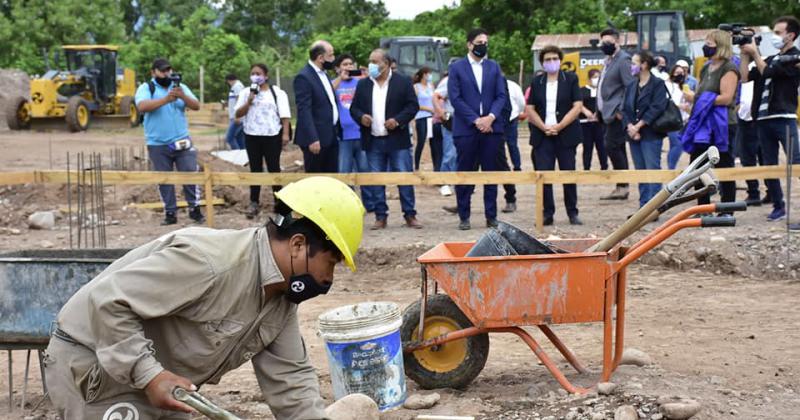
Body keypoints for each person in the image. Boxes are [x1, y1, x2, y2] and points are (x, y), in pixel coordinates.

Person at [43, 176, 365, 420]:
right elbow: (109, 301)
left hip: (156, 379)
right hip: (93, 363)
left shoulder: (279, 301)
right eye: (331, 263)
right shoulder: (211, 264)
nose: (328, 279)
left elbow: (292, 381)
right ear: (298, 245)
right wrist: (150, 375)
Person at [350, 48, 422, 230]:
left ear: (387, 64)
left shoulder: (403, 82)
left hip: (398, 140)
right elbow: (354, 108)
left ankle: (410, 214)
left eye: (375, 62)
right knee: (376, 180)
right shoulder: (363, 85)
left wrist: (398, 121)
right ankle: (380, 216)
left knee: (404, 177)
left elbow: (413, 106)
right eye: (370, 61)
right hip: (373, 140)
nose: (371, 65)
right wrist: (361, 117)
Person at [448, 28, 509, 230]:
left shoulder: (493, 67)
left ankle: (491, 216)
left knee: (490, 173)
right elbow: (455, 98)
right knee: (465, 172)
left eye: (485, 42)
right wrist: (476, 120)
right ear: (469, 44)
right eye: (479, 42)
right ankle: (464, 216)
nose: (483, 45)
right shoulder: (457, 68)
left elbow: (501, 95)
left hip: (491, 129)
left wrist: (490, 118)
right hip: (467, 129)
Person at [740, 15, 800, 222]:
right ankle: (778, 206)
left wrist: (755, 53)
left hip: (784, 117)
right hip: (763, 119)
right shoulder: (769, 58)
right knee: (769, 164)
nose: (773, 36)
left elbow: (769, 73)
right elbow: (745, 77)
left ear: (791, 35)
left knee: (796, 162)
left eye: (777, 32)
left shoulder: (795, 58)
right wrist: (745, 52)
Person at [134, 58, 204, 226]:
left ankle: (194, 209)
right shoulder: (146, 88)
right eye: (162, 71)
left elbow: (196, 105)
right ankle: (170, 212)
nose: (167, 74)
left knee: (189, 174)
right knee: (164, 179)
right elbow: (142, 107)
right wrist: (166, 99)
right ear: (153, 72)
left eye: (169, 71)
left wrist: (182, 96)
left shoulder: (181, 87)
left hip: (182, 141)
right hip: (157, 143)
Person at [681, 30, 740, 209]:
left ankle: (727, 208)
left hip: (722, 124)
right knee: (697, 164)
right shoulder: (706, 67)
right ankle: (702, 207)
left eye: (710, 42)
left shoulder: (729, 68)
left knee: (724, 165)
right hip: (702, 125)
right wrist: (695, 99)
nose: (706, 46)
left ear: (720, 46)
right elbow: (701, 93)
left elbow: (726, 97)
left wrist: (702, 99)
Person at [526, 45, 584, 226]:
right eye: (547, 60)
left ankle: (572, 212)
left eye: (554, 59)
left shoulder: (571, 79)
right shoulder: (537, 82)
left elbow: (577, 106)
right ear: (542, 63)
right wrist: (543, 127)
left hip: (565, 134)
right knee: (544, 175)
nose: (551, 62)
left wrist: (559, 126)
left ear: (560, 60)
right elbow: (529, 108)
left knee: (568, 173)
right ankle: (547, 212)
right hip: (543, 136)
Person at [235, 63, 292, 219]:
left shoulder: (277, 92)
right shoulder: (246, 92)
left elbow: (285, 115)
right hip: (251, 135)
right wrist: (249, 101)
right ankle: (254, 202)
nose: (255, 76)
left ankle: (279, 202)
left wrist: (285, 134)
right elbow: (238, 114)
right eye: (252, 73)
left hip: (272, 135)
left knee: (274, 168)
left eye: (258, 73)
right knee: (255, 169)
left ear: (266, 76)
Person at [622, 50, 670, 209]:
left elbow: (657, 107)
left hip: (650, 133)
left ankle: (655, 207)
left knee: (652, 170)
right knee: (640, 171)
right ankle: (643, 206)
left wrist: (639, 126)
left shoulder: (657, 84)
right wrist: (630, 127)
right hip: (633, 135)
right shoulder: (631, 85)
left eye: (635, 63)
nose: (632, 66)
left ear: (644, 65)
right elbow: (625, 109)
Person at [332, 54, 375, 212]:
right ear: (337, 68)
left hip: (361, 133)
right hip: (343, 135)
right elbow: (327, 94)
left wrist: (368, 77)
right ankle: (349, 205)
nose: (349, 67)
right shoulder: (334, 84)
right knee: (345, 172)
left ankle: (369, 205)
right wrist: (340, 78)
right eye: (345, 64)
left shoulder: (360, 83)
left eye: (351, 64)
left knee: (364, 170)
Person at [597, 28, 635, 200]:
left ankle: (623, 184)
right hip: (606, 113)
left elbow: (630, 86)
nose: (604, 45)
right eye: (602, 42)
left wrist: (621, 110)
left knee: (611, 145)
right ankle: (622, 185)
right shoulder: (609, 60)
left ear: (617, 42)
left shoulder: (623, 60)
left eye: (608, 42)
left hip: (616, 113)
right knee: (617, 147)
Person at [294, 40, 340, 173]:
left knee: (331, 178)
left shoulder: (324, 74)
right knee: (316, 179)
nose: (333, 59)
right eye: (331, 55)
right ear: (321, 58)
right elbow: (304, 110)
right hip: (316, 140)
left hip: (330, 135)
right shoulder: (304, 77)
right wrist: (312, 138)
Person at [736, 66, 765, 206]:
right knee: (747, 158)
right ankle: (753, 192)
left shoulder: (762, 63)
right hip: (745, 117)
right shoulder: (739, 65)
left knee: (764, 158)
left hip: (759, 116)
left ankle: (768, 191)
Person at [499, 78, 526, 213]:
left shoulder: (511, 85)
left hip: (507, 120)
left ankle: (510, 198)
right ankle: (462, 202)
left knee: (509, 150)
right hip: (480, 125)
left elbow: (521, 102)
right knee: (471, 164)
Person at [665, 64, 694, 169]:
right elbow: (666, 102)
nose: (680, 75)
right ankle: (671, 168)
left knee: (675, 145)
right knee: (678, 144)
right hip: (672, 119)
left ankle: (671, 167)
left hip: (683, 120)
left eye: (682, 73)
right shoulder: (667, 85)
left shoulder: (684, 87)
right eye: (677, 73)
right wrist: (679, 106)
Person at [433, 71, 457, 197]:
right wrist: (440, 112)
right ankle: (445, 183)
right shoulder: (448, 80)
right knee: (450, 153)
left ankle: (460, 182)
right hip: (452, 120)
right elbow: (436, 96)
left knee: (463, 153)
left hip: (467, 120)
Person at [579, 69, 608, 170]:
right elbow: (578, 104)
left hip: (599, 123)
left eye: (598, 77)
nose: (596, 79)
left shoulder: (603, 91)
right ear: (589, 78)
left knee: (602, 147)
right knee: (587, 147)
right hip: (585, 123)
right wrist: (586, 111)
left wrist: (599, 113)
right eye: (594, 77)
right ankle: (586, 168)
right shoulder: (582, 90)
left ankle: (604, 167)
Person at [412, 67, 436, 170]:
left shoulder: (431, 86)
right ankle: (417, 165)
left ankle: (436, 165)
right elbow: (415, 104)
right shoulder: (416, 87)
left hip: (432, 117)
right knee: (421, 141)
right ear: (423, 75)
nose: (430, 76)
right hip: (421, 116)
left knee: (433, 142)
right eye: (428, 74)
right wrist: (428, 109)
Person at [224, 74, 246, 150]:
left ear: (228, 81)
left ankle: (237, 155)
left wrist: (237, 116)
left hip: (237, 117)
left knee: (229, 138)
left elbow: (239, 100)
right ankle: (244, 157)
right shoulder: (238, 86)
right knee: (240, 139)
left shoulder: (237, 86)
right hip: (238, 117)